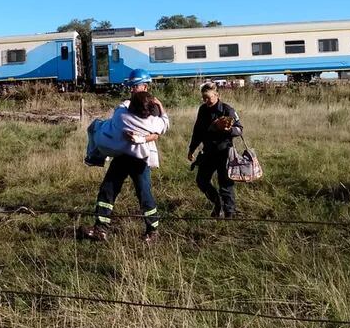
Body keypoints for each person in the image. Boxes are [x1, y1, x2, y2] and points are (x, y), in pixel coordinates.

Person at [84, 70, 169, 244]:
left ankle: (153, 231)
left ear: (145, 86)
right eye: (131, 86)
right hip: (123, 156)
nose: (132, 89)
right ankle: (100, 228)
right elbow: (161, 127)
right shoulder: (146, 109)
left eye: (135, 86)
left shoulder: (131, 109)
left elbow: (156, 134)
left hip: (139, 160)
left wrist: (141, 138)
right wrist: (148, 130)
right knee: (108, 189)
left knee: (144, 194)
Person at [187, 81, 243, 218]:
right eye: (204, 98)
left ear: (217, 95)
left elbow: (239, 129)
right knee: (201, 180)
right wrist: (192, 149)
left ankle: (229, 214)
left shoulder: (227, 109)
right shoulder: (202, 109)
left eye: (209, 98)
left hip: (224, 151)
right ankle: (218, 203)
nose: (206, 101)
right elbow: (197, 131)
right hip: (208, 152)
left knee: (225, 184)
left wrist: (228, 130)